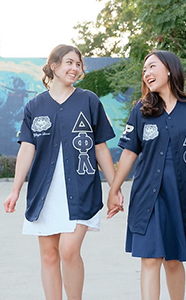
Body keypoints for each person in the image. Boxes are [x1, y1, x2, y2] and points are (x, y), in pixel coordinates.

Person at [4, 44, 118, 300]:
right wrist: (15, 190)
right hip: (44, 193)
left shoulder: (88, 100)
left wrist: (114, 186)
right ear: (54, 66)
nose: (75, 68)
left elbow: (100, 148)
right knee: (49, 254)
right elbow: (27, 150)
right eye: (69, 62)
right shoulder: (35, 105)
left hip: (81, 190)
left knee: (68, 250)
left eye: (78, 64)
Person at [107, 50, 186, 300]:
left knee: (174, 260)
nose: (147, 73)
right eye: (144, 70)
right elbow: (130, 153)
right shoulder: (141, 111)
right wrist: (114, 189)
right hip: (147, 196)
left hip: (181, 196)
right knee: (150, 258)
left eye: (152, 67)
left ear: (169, 69)